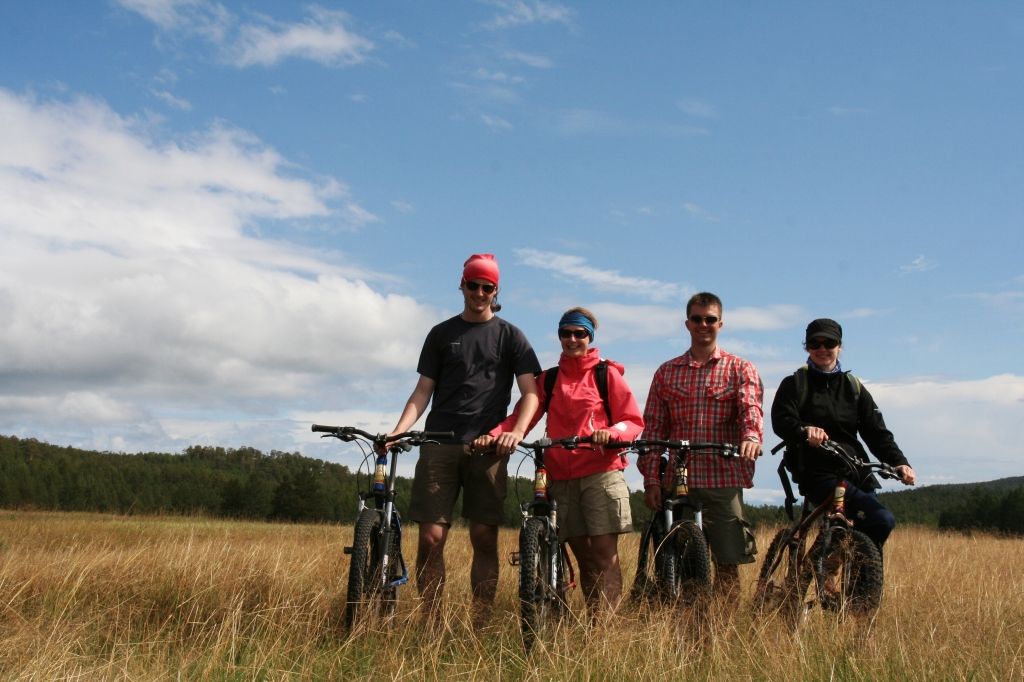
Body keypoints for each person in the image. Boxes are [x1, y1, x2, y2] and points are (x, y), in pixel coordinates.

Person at [385, 253, 541, 624]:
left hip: (488, 449)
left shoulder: (511, 336)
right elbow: (423, 390)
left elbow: (531, 393)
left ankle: (480, 622)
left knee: (484, 537)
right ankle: (432, 622)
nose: (480, 293)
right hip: (439, 444)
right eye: (474, 285)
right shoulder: (441, 334)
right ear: (462, 285)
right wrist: (399, 430)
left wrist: (515, 432)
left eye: (488, 287)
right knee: (430, 539)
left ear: (496, 290)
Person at [473, 307, 644, 614]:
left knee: (604, 554)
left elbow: (632, 421)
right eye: (566, 333)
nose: (572, 339)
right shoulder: (549, 380)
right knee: (583, 556)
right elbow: (521, 416)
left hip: (600, 473)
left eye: (579, 334)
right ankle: (590, 619)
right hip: (560, 478)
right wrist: (494, 434)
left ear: (589, 337)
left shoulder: (607, 375)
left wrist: (610, 433)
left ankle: (604, 632)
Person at [638, 291, 763, 604]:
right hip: (678, 483)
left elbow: (750, 410)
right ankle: (684, 633)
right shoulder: (666, 372)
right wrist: (652, 479)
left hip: (722, 479)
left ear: (721, 323)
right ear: (687, 323)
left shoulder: (740, 369)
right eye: (697, 319)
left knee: (727, 564)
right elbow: (653, 430)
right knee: (676, 565)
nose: (703, 325)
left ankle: (722, 635)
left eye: (710, 319)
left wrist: (751, 437)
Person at [770, 318, 916, 554]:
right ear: (806, 347)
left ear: (839, 346)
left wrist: (900, 462)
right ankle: (826, 565)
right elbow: (781, 421)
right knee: (876, 519)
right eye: (815, 344)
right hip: (815, 471)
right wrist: (805, 430)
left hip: (855, 470)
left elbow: (876, 432)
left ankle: (858, 585)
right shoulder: (795, 383)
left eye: (829, 343)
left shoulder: (853, 387)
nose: (822, 349)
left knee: (877, 522)